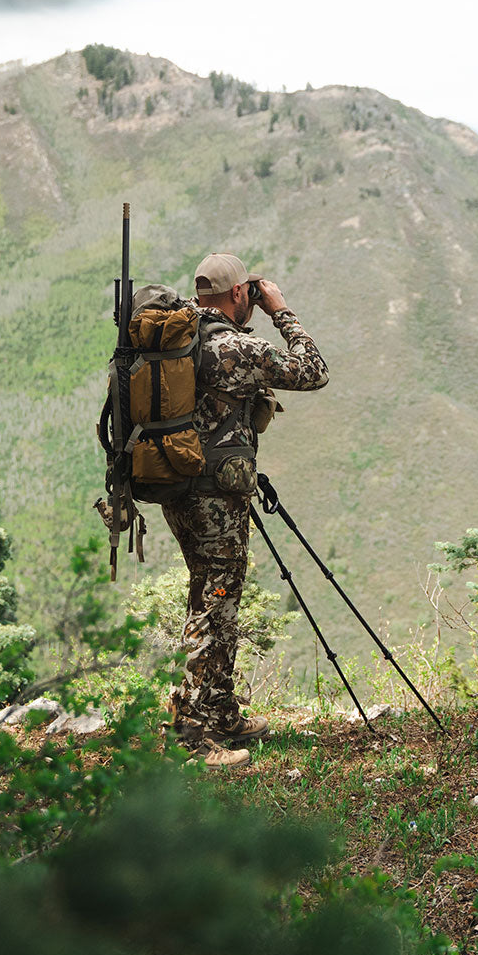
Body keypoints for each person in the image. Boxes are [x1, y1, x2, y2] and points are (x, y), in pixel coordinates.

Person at [162, 253, 328, 769]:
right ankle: (194, 733)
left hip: (176, 487)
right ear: (239, 294)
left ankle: (219, 710)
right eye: (249, 294)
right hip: (214, 496)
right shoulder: (232, 346)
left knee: (211, 591)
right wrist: (280, 310)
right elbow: (313, 371)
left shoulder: (179, 335)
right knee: (216, 603)